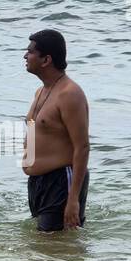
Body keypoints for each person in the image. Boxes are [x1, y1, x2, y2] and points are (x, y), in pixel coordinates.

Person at [22, 29, 89, 231]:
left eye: (30, 51)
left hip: (61, 181)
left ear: (46, 60)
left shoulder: (70, 94)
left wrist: (73, 199)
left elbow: (82, 147)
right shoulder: (41, 91)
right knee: (46, 248)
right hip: (38, 183)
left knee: (54, 244)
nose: (25, 56)